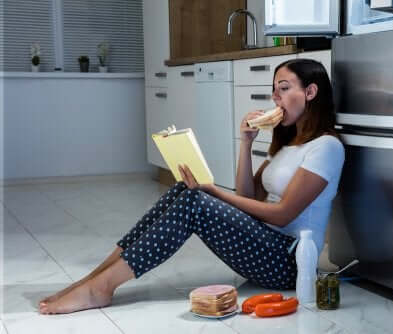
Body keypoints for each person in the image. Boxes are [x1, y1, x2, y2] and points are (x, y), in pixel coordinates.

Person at [38, 58, 345, 315]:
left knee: (196, 200)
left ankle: (101, 288)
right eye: (274, 91)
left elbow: (282, 215)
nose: (275, 98)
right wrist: (245, 144)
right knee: (183, 191)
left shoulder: (327, 147)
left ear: (311, 92)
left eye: (284, 89)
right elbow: (247, 197)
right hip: (264, 245)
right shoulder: (288, 143)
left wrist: (212, 190)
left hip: (287, 262)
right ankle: (95, 278)